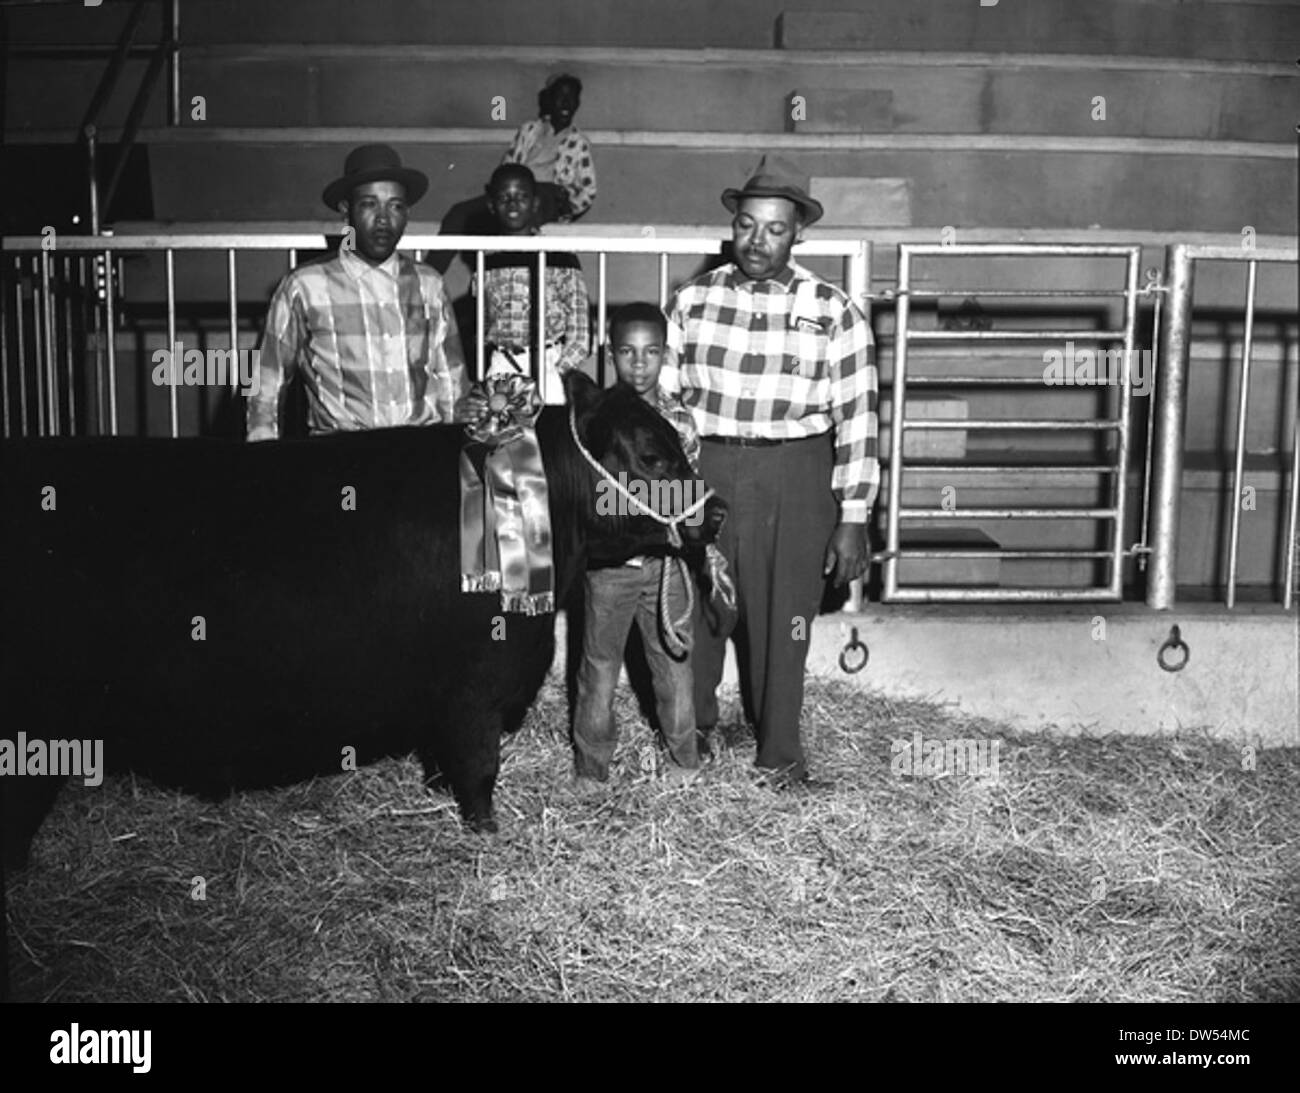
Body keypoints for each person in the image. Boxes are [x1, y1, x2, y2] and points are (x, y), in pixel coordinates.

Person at [663, 155, 879, 788]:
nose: (758, 241)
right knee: (698, 604)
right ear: (732, 224)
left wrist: (854, 518)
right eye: (747, 225)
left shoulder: (832, 308)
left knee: (787, 615)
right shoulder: (691, 300)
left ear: (798, 233)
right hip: (706, 468)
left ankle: (779, 756)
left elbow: (859, 418)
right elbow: (666, 408)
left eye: (775, 229)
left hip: (797, 472)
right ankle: (690, 739)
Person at [247, 144, 469, 440]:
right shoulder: (305, 285)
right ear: (346, 209)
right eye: (369, 204)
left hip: (418, 455)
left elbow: (452, 384)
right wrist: (262, 452)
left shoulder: (429, 284)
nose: (383, 218)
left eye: (395, 206)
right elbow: (267, 381)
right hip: (342, 456)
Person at [571, 303, 702, 789]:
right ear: (610, 354)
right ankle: (592, 771)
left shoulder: (681, 421)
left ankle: (685, 762)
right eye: (627, 352)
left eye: (650, 352)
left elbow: (687, 498)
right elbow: (595, 495)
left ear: (665, 354)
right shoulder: (594, 420)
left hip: (664, 565)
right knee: (599, 670)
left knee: (673, 667)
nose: (639, 364)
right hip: (608, 571)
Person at [478, 163, 591, 405]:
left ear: (535, 203)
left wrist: (557, 371)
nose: (512, 204)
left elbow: (580, 333)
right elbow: (483, 322)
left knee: (551, 437)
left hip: (550, 363)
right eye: (504, 197)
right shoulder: (485, 260)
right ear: (491, 204)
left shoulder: (561, 256)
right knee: (503, 439)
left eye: (522, 197)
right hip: (503, 363)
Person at [502, 73, 597, 224]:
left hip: (549, 197)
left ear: (577, 103)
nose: (566, 103)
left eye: (571, 97)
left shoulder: (579, 143)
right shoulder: (529, 130)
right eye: (560, 96)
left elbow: (589, 189)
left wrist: (568, 210)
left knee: (534, 207)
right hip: (520, 193)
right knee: (463, 211)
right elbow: (507, 168)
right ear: (550, 100)